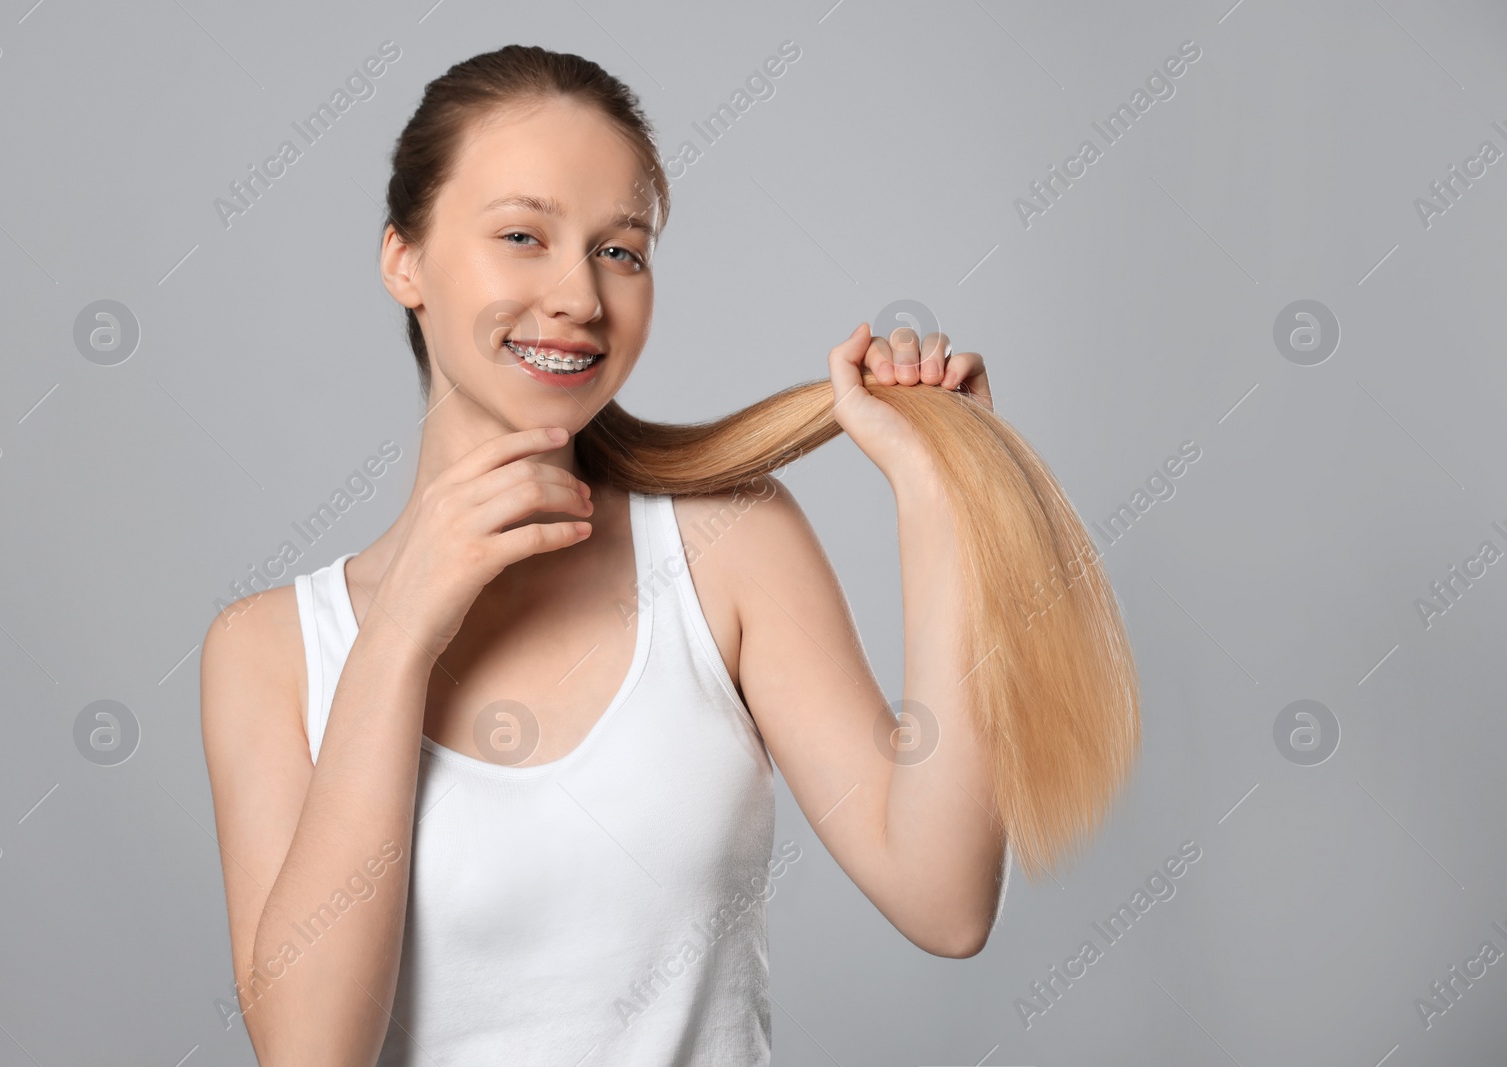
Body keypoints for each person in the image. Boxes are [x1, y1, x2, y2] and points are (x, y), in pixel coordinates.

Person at [200, 43, 1119, 1067]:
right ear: (402, 260)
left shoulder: (732, 547)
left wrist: (940, 496)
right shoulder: (270, 651)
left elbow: (945, 901)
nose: (579, 298)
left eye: (620, 250)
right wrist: (403, 628)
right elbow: (308, 1052)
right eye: (520, 234)